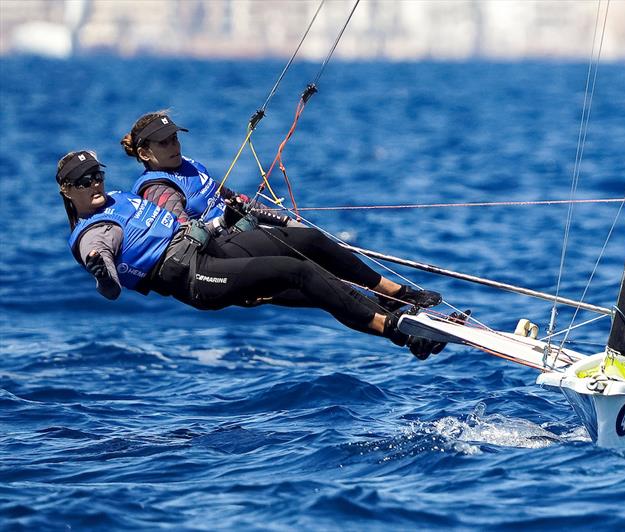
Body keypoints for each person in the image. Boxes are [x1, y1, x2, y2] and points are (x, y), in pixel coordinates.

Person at [57, 150, 446, 359]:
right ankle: (395, 330)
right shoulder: (93, 231)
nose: (94, 183)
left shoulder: (118, 198)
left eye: (96, 175)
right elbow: (103, 267)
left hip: (210, 247)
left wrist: (223, 222)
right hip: (195, 276)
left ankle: (393, 295)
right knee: (299, 274)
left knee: (304, 241)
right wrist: (102, 271)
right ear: (67, 192)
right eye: (83, 182)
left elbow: (184, 221)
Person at [120, 110, 439, 312]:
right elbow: (184, 237)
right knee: (318, 285)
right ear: (146, 153)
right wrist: (226, 225)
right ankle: (393, 301)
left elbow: (234, 198)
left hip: (250, 240)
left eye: (174, 137)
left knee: (321, 271)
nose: (174, 145)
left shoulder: (190, 168)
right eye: (164, 143)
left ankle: (396, 311)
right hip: (223, 262)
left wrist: (282, 218)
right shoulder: (158, 188)